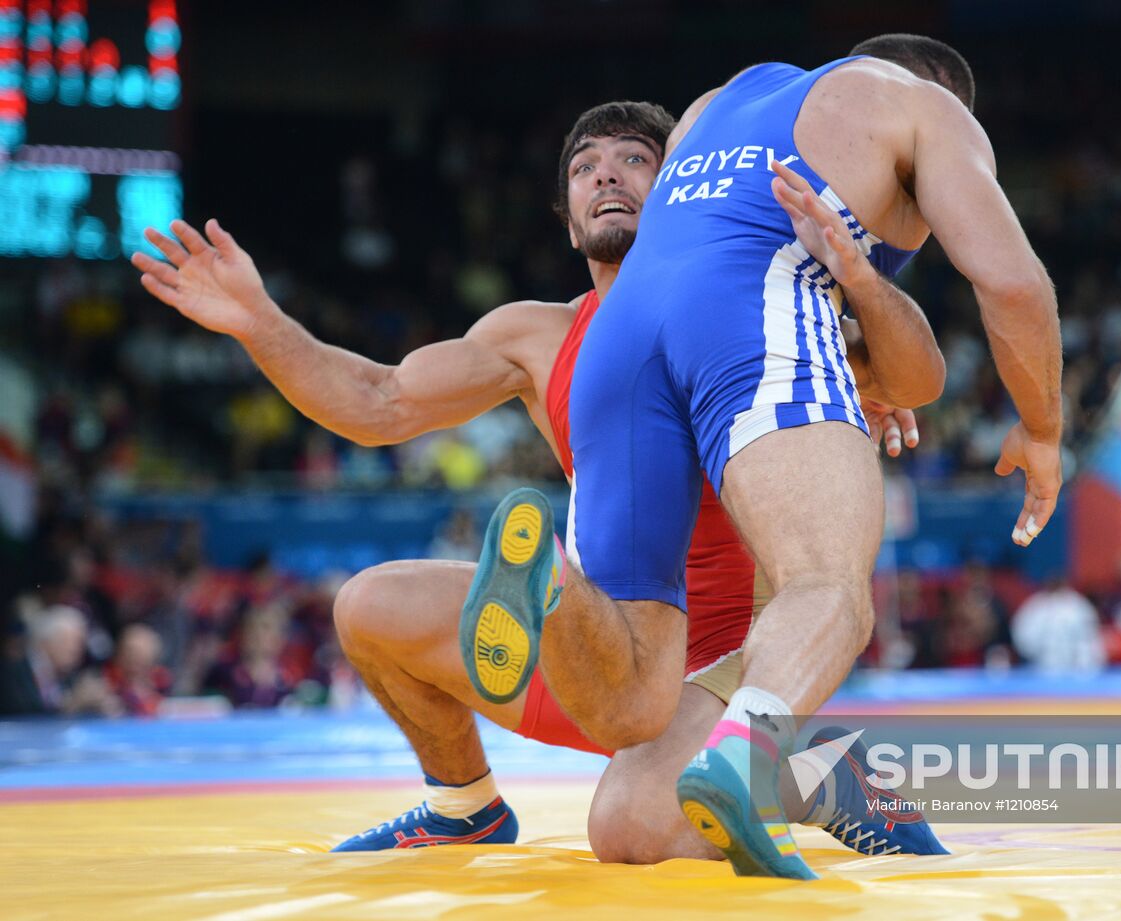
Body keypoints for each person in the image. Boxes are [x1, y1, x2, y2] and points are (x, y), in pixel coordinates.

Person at [131, 101, 944, 860]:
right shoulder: (536, 337)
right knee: (369, 607)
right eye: (586, 168)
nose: (607, 176)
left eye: (635, 159)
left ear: (686, 192)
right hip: (608, 654)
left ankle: (814, 766)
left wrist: (869, 352)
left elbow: (913, 375)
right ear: (568, 218)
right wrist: (258, 322)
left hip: (729, 661)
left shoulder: (760, 307)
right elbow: (377, 401)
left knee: (629, 826)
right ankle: (467, 804)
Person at [460, 34, 1063, 878]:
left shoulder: (719, 100)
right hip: (749, 307)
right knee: (829, 587)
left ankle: (559, 595)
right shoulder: (921, 108)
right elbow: (1012, 282)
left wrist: (856, 324)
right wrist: (1042, 429)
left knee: (631, 795)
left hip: (616, 342)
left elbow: (904, 372)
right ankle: (752, 756)